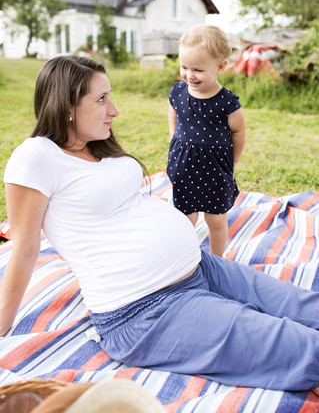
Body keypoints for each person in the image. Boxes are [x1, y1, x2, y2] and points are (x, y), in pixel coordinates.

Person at [1, 55, 319, 396]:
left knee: (306, 307)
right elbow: (24, 247)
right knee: (307, 351)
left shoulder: (96, 145)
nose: (114, 110)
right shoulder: (37, 156)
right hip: (145, 311)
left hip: (201, 268)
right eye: (102, 99)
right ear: (66, 107)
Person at [167, 24, 245, 257]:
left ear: (220, 66)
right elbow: (173, 111)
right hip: (184, 167)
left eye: (198, 70)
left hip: (215, 170)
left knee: (216, 219)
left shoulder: (227, 102)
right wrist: (174, 137)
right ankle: (184, 257)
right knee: (184, 218)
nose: (189, 75)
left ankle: (217, 258)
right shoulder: (179, 91)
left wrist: (233, 163)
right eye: (184, 67)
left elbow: (238, 133)